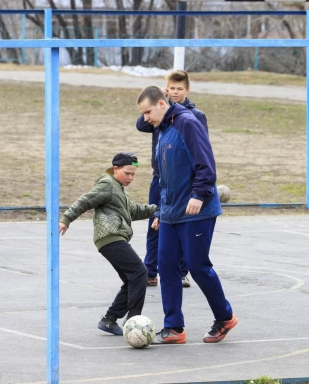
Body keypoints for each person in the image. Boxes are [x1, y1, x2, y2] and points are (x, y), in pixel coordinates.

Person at [137, 86, 237, 344]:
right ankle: (174, 328)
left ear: (161, 103)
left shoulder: (188, 123)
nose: (145, 117)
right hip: (171, 211)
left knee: (196, 265)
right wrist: (160, 210)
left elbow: (206, 163)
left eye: (148, 111)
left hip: (196, 210)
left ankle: (225, 317)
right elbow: (163, 177)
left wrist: (199, 194)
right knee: (167, 267)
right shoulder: (161, 130)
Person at [58, 152, 157, 335]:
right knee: (140, 272)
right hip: (111, 237)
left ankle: (109, 320)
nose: (131, 177)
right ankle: (134, 320)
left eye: (134, 174)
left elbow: (132, 211)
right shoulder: (108, 184)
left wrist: (156, 210)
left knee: (132, 279)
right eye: (127, 173)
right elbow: (86, 200)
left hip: (113, 238)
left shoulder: (118, 188)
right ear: (115, 169)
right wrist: (67, 219)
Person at [136, 70, 208, 289]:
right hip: (160, 178)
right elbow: (141, 125)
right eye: (171, 89)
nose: (175, 93)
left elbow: (201, 153)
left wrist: (198, 191)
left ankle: (182, 271)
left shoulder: (193, 117)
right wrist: (161, 101)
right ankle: (151, 270)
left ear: (187, 90)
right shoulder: (159, 115)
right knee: (155, 223)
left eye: (179, 89)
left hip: (184, 182)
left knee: (184, 227)